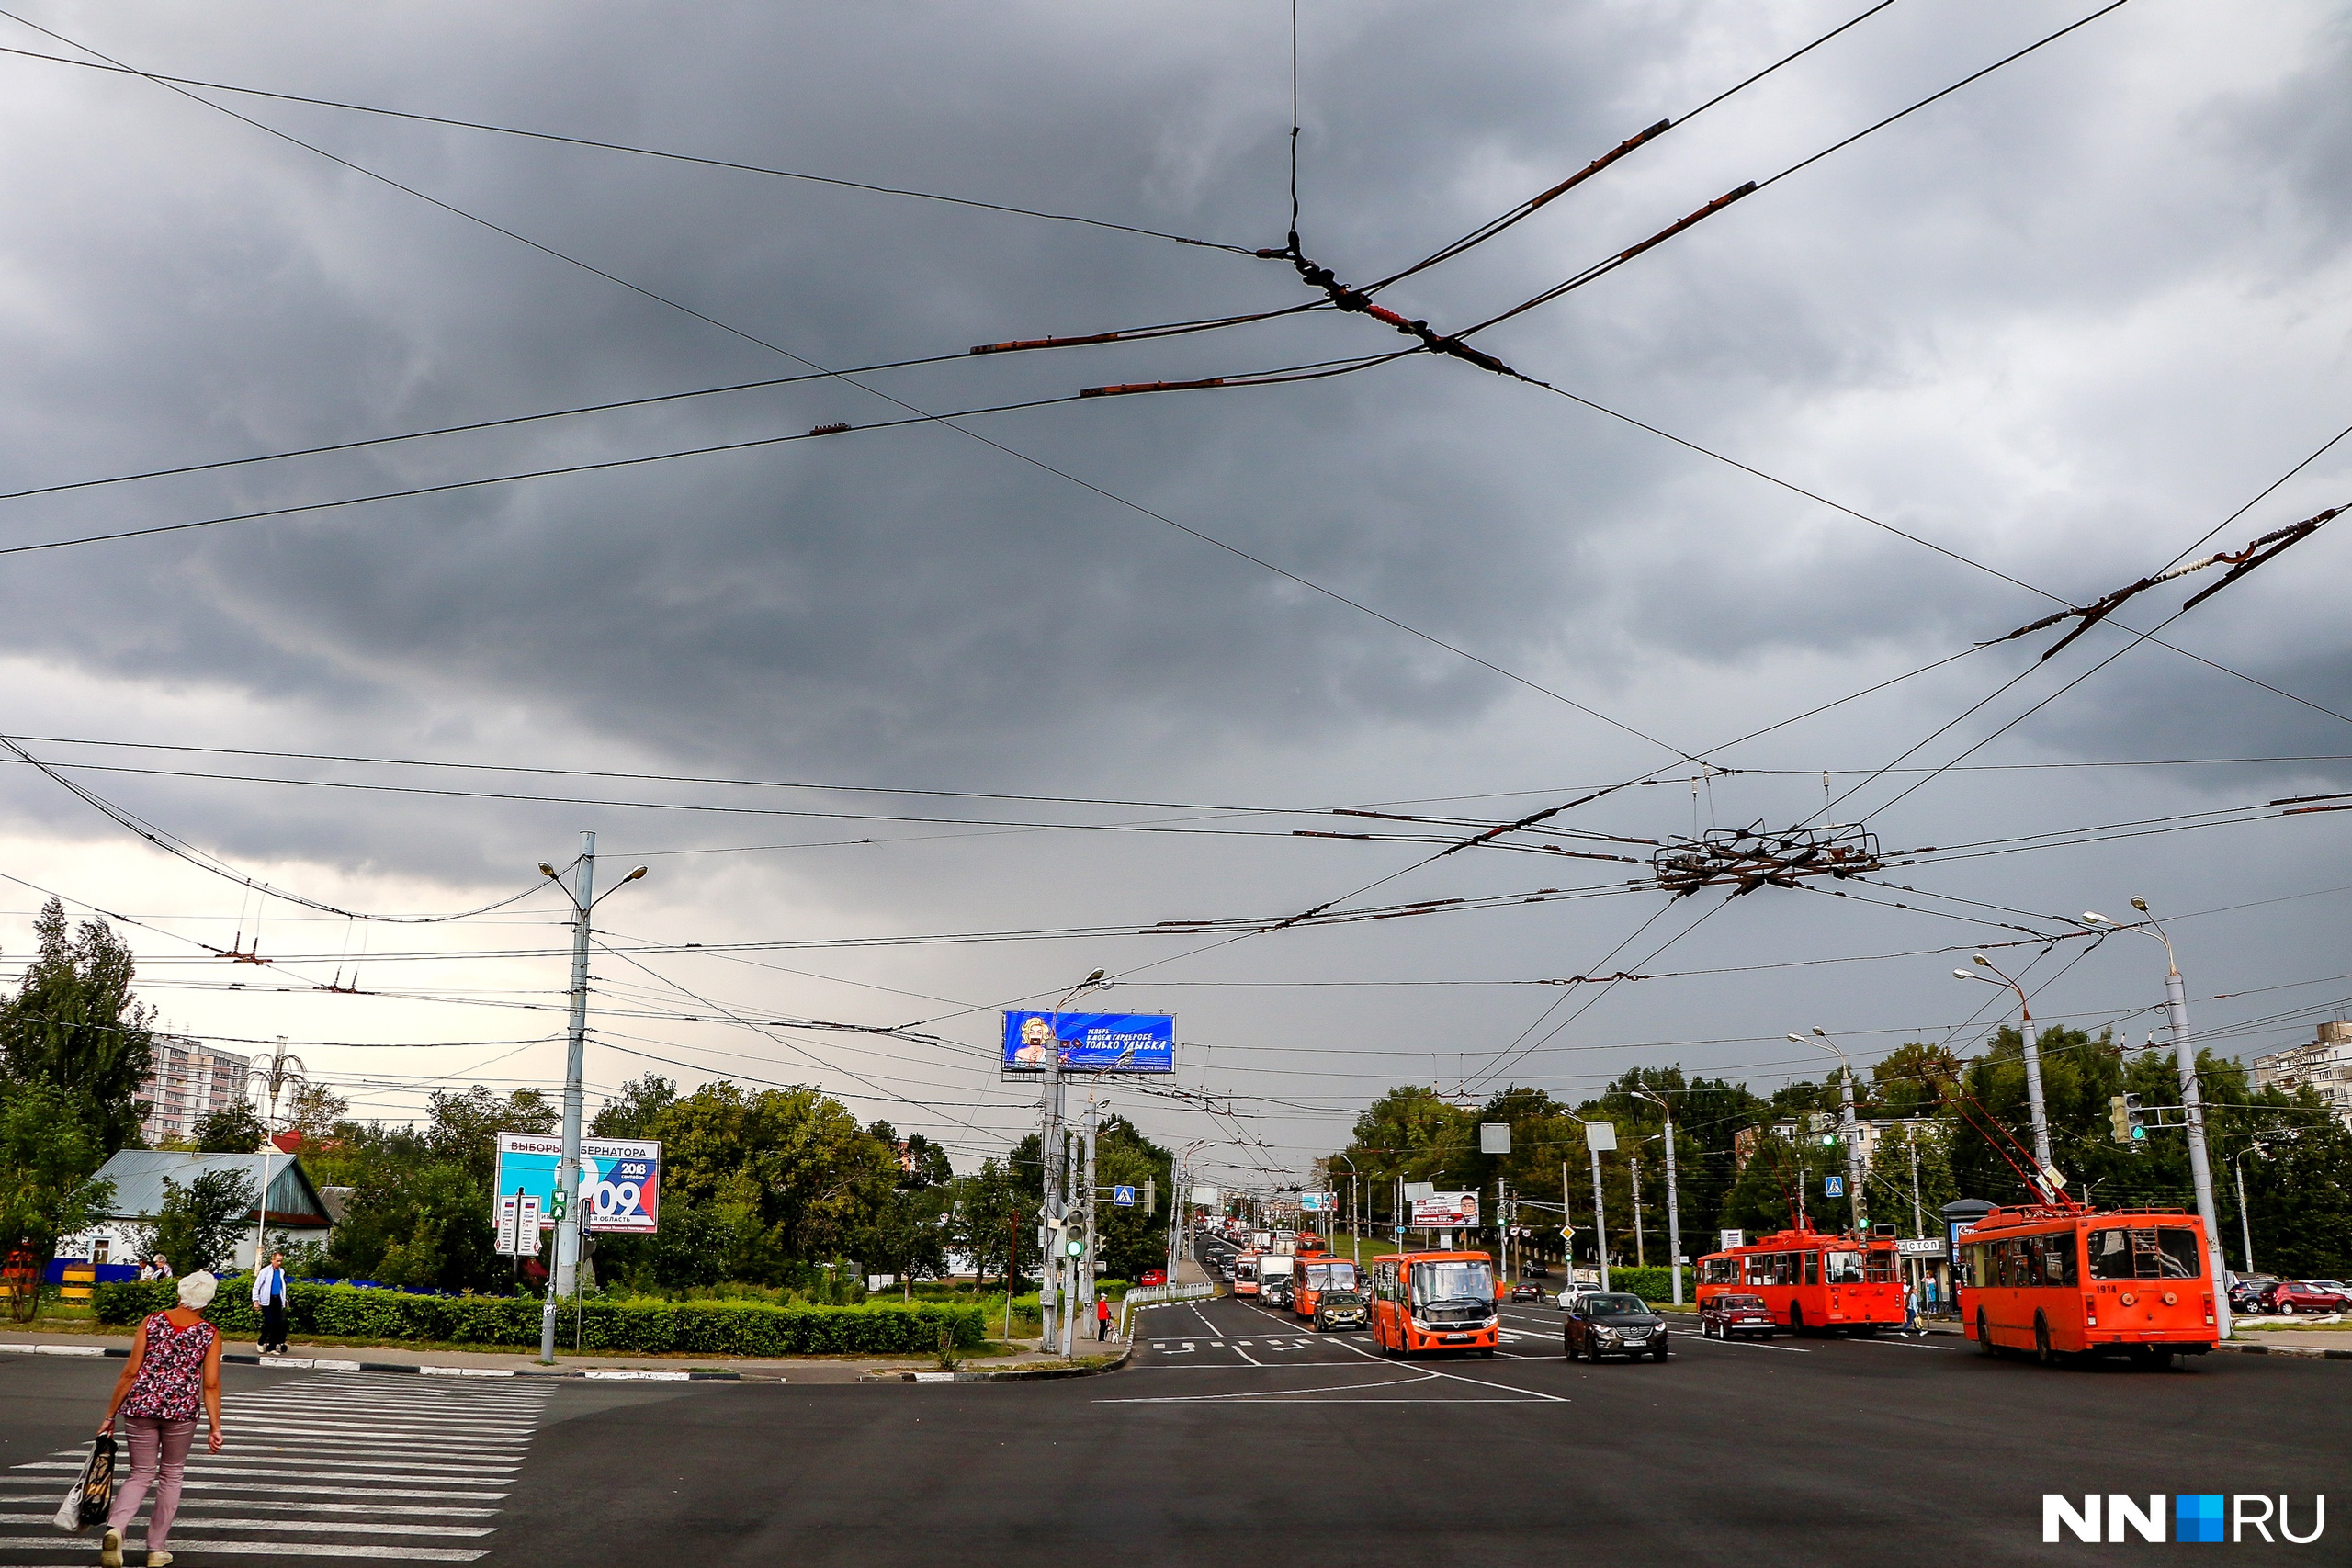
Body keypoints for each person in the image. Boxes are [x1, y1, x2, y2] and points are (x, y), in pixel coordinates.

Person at [97, 1269, 223, 1568]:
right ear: (207, 1300)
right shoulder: (209, 1333)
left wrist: (109, 1415)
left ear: (180, 1293)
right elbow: (211, 1384)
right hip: (181, 1412)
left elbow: (130, 1371)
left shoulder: (152, 1321)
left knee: (140, 1473)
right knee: (171, 1474)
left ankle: (116, 1528)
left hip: (141, 1405)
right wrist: (215, 1427)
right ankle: (156, 1549)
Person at [251, 1251, 289, 1356]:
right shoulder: (265, 1271)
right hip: (267, 1300)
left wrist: (284, 1299)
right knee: (270, 1322)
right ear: (272, 1260)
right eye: (277, 1261)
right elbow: (257, 1286)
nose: (279, 1263)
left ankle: (271, 1347)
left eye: (281, 1261)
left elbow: (282, 1287)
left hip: (277, 1300)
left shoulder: (281, 1271)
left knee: (277, 1324)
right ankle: (261, 1341)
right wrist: (256, 1300)